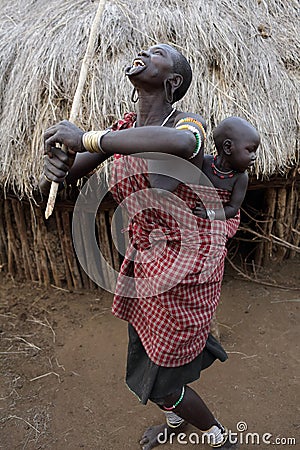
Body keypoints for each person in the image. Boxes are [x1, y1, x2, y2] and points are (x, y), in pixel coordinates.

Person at [41, 43, 240, 449]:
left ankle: (219, 437)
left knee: (165, 379)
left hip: (185, 274)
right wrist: (54, 170)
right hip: (147, 267)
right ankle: (174, 419)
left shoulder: (191, 127)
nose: (144, 52)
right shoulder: (124, 127)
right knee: (148, 351)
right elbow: (63, 182)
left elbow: (181, 147)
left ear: (172, 82)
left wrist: (89, 139)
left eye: (158, 53)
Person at [192, 117, 260, 221]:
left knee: (215, 237)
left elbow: (232, 209)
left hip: (220, 219)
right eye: (250, 150)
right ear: (228, 147)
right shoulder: (203, 162)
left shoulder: (241, 178)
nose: (254, 156)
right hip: (195, 214)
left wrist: (209, 214)